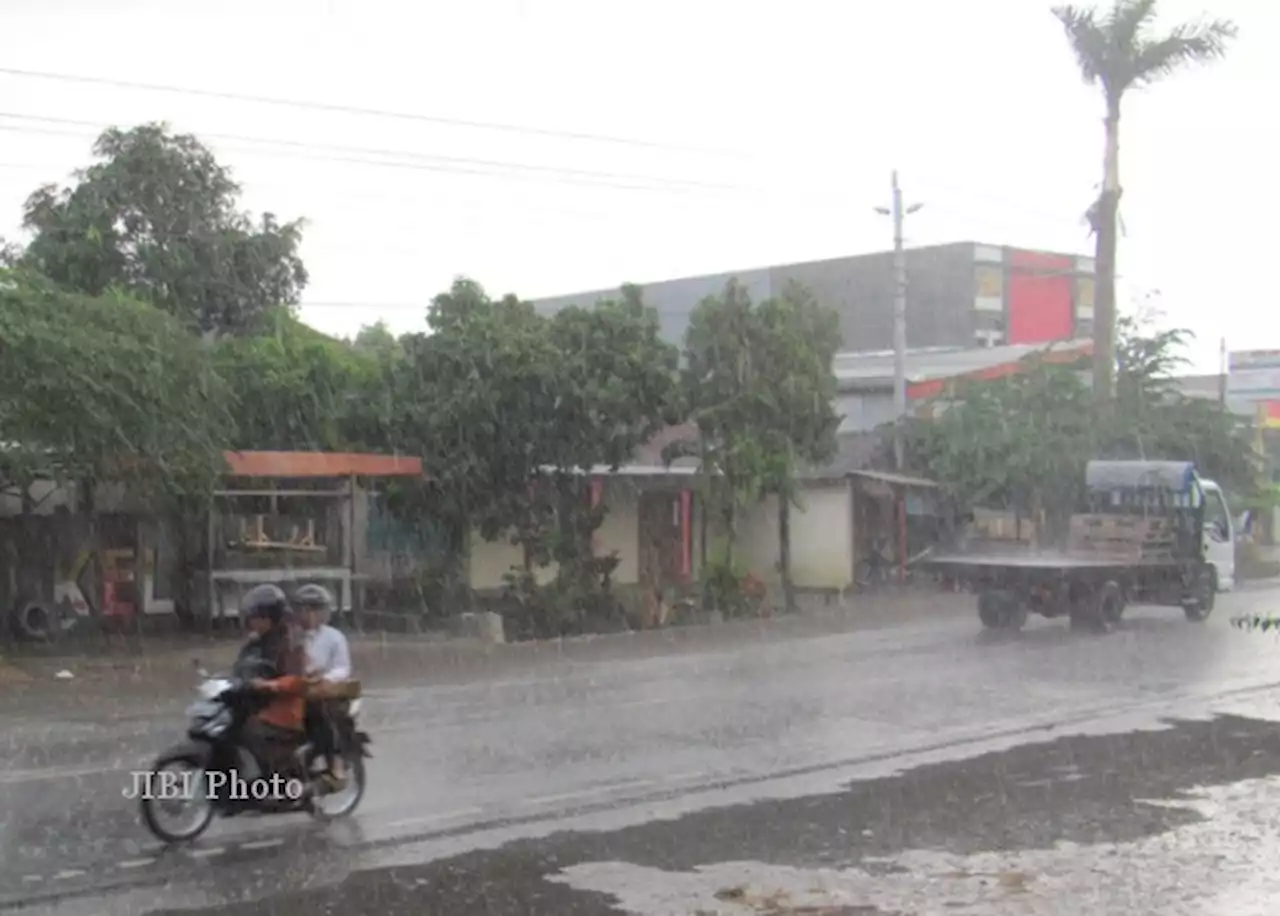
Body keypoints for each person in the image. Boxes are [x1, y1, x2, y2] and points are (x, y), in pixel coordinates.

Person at [236, 584, 308, 784]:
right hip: (258, 702)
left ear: (270, 617)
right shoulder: (256, 643)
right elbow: (242, 667)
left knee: (252, 731)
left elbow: (296, 679)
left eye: (256, 618)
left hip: (283, 709)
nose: (252, 623)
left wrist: (271, 685)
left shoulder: (291, 643)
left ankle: (280, 780)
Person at [293, 583, 353, 788]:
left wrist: (325, 678)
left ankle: (336, 763)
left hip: (325, 693)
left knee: (322, 714)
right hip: (296, 690)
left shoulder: (334, 638)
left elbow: (343, 668)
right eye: (304, 609)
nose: (308, 615)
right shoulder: (291, 637)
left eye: (314, 609)